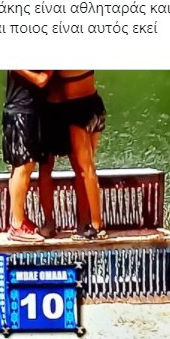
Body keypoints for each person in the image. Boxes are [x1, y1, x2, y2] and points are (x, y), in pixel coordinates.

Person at [48, 70, 108, 240]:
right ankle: (86, 223)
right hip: (95, 102)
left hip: (77, 108)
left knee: (86, 169)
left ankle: (96, 226)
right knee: (87, 170)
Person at [2, 70, 53, 242]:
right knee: (23, 166)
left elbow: (42, 79)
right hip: (21, 111)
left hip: (27, 110)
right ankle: (17, 226)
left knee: (20, 166)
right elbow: (41, 80)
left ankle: (19, 219)